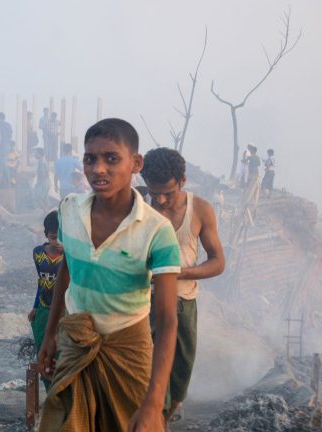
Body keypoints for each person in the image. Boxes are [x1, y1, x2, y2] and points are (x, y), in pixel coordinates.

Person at [38, 118, 181, 432]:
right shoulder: (69, 210)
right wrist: (50, 334)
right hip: (75, 342)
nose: (98, 169)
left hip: (128, 350)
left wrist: (154, 403)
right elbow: (68, 268)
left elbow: (168, 320)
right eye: (90, 159)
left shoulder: (157, 231)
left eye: (111, 158)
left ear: (135, 163)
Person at [141, 147, 226, 425]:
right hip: (140, 303)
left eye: (168, 192)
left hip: (183, 303)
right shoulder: (137, 207)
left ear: (183, 181)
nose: (161, 200)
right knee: (144, 375)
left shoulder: (199, 209)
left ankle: (163, 420)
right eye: (155, 193)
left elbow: (217, 262)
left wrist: (177, 274)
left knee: (178, 377)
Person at [28, 210, 63, 390]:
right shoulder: (38, 254)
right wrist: (35, 306)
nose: (56, 243)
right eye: (52, 237)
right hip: (43, 310)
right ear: (46, 235)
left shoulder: (70, 256)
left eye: (60, 238)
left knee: (62, 354)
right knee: (44, 353)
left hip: (64, 312)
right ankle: (51, 394)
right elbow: (42, 282)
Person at [0, 112, 13, 185]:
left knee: (3, 165)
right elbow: (11, 136)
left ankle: (7, 181)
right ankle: (5, 181)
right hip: (8, 146)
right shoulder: (8, 125)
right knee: (4, 163)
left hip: (2, 147)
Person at [33, 146, 51, 210]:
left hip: (43, 182)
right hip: (46, 181)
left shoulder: (41, 162)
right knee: (45, 198)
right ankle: (47, 212)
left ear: (39, 154)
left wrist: (38, 183)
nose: (35, 154)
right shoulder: (43, 160)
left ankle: (46, 211)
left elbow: (42, 174)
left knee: (37, 196)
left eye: (36, 153)